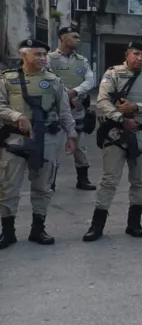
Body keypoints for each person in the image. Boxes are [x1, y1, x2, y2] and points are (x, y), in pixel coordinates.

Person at [0, 38, 77, 249]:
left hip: (47, 139)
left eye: (44, 54)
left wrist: (71, 136)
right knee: (8, 186)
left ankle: (38, 229)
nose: (43, 58)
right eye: (38, 54)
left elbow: (64, 111)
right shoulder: (7, 79)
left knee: (43, 186)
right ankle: (7, 232)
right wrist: (16, 116)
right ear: (24, 55)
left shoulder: (54, 80)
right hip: (14, 139)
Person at [83, 41, 142, 242]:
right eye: (135, 54)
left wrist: (136, 107)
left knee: (140, 181)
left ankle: (134, 224)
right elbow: (102, 101)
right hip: (116, 135)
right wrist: (121, 119)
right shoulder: (113, 74)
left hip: (141, 135)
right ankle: (97, 226)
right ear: (127, 54)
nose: (139, 58)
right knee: (109, 180)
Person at [47, 25, 97, 191]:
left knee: (80, 147)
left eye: (78, 37)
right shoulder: (49, 59)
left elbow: (90, 81)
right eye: (74, 36)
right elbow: (46, 80)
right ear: (63, 38)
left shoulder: (82, 61)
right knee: (53, 148)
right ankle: (50, 182)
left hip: (77, 111)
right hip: (55, 113)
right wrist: (65, 96)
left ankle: (82, 180)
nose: (78, 40)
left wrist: (75, 92)